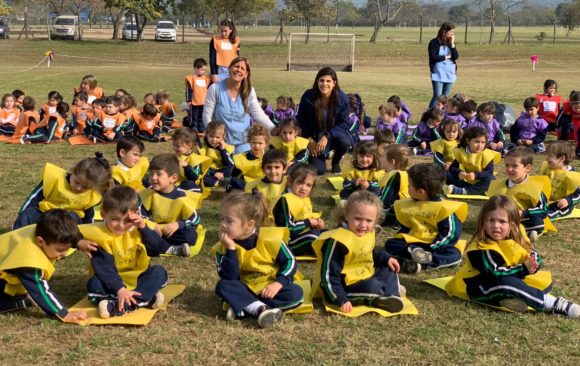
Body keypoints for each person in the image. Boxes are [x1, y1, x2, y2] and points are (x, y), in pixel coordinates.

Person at [445, 195, 579, 318]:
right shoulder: (480, 248)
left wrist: (534, 262)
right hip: (480, 286)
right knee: (508, 285)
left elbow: (529, 252)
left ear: (512, 224)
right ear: (483, 222)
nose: (496, 226)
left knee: (528, 282)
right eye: (490, 220)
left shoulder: (517, 232)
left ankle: (509, 300)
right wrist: (523, 269)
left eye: (502, 221)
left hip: (508, 274)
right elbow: (494, 273)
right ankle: (553, 303)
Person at [212, 191, 303, 328]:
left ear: (249, 224)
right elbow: (229, 277)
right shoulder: (223, 247)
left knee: (296, 293)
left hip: (270, 287)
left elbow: (290, 261)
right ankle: (260, 309)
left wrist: (278, 283)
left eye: (229, 220)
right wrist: (231, 249)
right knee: (223, 286)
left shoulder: (270, 238)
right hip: (245, 288)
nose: (223, 224)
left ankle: (247, 308)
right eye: (222, 219)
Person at [81, 186, 168, 318]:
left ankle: (119, 306)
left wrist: (144, 229)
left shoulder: (141, 227)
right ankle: (146, 299)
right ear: (103, 215)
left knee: (159, 272)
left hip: (138, 279)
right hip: (109, 282)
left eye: (127, 220)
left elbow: (158, 248)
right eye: (115, 219)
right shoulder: (98, 234)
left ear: (136, 215)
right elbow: (106, 270)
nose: (121, 225)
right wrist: (120, 290)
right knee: (93, 286)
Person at [312, 190, 404, 314]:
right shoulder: (338, 240)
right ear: (346, 215)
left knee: (388, 269)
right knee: (373, 286)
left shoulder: (369, 233)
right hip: (345, 286)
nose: (363, 225)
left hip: (365, 275)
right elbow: (329, 274)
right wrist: (340, 299)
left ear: (375, 220)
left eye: (369, 221)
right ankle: (380, 297)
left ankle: (391, 295)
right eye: (358, 219)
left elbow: (369, 252)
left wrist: (386, 258)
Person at [0, 209, 93, 323]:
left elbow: (64, 235)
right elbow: (39, 288)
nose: (64, 253)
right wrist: (64, 314)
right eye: (60, 250)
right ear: (40, 241)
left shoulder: (43, 230)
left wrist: (78, 242)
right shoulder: (28, 257)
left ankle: (13, 301)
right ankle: (8, 303)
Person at [385, 163, 466, 273]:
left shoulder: (445, 208)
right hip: (414, 243)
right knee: (391, 243)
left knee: (454, 255)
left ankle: (421, 264)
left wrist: (432, 248)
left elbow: (450, 234)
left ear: (420, 192)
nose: (407, 188)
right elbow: (404, 226)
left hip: (437, 246)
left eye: (409, 185)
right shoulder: (408, 204)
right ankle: (413, 254)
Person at [13, 153, 111, 229]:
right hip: (44, 214)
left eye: (85, 187)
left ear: (92, 187)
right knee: (28, 214)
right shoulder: (54, 180)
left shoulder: (90, 196)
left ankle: (54, 243)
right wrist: (23, 214)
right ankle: (18, 237)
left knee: (73, 217)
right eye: (76, 182)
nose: (78, 188)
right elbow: (34, 198)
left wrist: (88, 235)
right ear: (73, 171)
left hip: (65, 225)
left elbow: (88, 219)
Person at [202, 57, 275, 154]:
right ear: (229, 68)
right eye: (236, 66)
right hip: (221, 144)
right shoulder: (215, 88)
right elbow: (207, 116)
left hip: (243, 143)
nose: (238, 70)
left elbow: (258, 114)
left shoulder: (249, 91)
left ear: (246, 74)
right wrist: (213, 137)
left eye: (242, 68)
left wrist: (274, 129)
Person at [139, 154, 201, 257]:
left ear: (173, 178)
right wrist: (152, 224)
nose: (153, 178)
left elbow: (195, 219)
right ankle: (171, 248)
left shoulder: (182, 196)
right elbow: (140, 215)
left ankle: (158, 246)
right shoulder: (147, 194)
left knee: (190, 235)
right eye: (151, 174)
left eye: (158, 174)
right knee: (140, 232)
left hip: (173, 232)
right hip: (155, 231)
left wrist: (178, 224)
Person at [296, 67, 354, 174]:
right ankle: (315, 155)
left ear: (334, 83)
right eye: (321, 80)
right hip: (314, 138)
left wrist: (327, 136)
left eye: (328, 81)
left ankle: (335, 161)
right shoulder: (308, 96)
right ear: (317, 81)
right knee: (319, 170)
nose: (324, 84)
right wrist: (309, 140)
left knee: (345, 142)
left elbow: (344, 123)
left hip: (333, 136)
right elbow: (300, 119)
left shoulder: (343, 98)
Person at [486, 147, 550, 242]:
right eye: (507, 165)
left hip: (525, 219)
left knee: (538, 223)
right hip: (503, 219)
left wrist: (523, 213)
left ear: (527, 168)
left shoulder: (535, 187)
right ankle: (511, 232)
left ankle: (522, 232)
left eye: (515, 166)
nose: (509, 169)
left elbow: (543, 210)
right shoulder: (498, 185)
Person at [273, 163, 323, 256]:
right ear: (290, 181)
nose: (304, 188)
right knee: (313, 236)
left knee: (329, 233)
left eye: (308, 185)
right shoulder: (285, 200)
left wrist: (317, 223)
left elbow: (305, 217)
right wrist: (309, 222)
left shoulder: (305, 198)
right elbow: (288, 229)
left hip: (300, 234)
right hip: (285, 242)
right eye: (300, 182)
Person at [447, 127, 499, 195]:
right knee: (447, 175)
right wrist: (459, 172)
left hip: (480, 180)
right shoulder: (461, 152)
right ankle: (468, 189)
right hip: (465, 180)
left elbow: (489, 172)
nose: (480, 145)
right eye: (477, 142)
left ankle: (465, 191)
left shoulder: (487, 155)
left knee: (491, 179)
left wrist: (476, 175)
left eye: (483, 142)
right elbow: (452, 168)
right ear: (468, 141)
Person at [246, 149, 288, 224]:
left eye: (277, 167)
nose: (273, 171)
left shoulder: (290, 183)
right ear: (263, 170)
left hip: (286, 221)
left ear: (284, 169)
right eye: (268, 167)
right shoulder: (253, 187)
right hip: (262, 223)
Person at [542, 141, 580, 221]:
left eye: (550, 156)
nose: (547, 158)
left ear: (562, 158)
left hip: (562, 205)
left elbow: (578, 194)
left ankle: (543, 216)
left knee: (554, 208)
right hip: (547, 200)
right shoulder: (548, 170)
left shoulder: (572, 176)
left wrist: (568, 200)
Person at [229, 124, 270, 190]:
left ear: (266, 143)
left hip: (262, 184)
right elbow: (233, 175)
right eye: (254, 143)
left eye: (260, 143)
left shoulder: (270, 157)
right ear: (249, 142)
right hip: (246, 184)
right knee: (233, 180)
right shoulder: (241, 157)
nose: (257, 146)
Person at [428, 22, 459, 108]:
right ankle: (429, 114)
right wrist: (446, 57)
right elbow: (433, 57)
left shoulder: (451, 43)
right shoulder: (433, 43)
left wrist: (452, 44)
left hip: (450, 72)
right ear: (444, 32)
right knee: (438, 96)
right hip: (438, 72)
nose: (452, 34)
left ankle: (442, 116)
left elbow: (455, 56)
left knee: (445, 97)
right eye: (450, 32)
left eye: (453, 32)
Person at [379, 144, 410, 226]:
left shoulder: (395, 176)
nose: (380, 159)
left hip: (396, 215)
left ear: (392, 162)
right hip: (407, 211)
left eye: (383, 157)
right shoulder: (406, 174)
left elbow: (385, 200)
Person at [172, 127, 210, 193]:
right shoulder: (176, 156)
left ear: (189, 145)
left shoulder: (196, 159)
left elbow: (195, 177)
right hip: (176, 183)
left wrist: (186, 166)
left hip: (190, 184)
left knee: (189, 184)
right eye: (174, 145)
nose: (175, 148)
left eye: (178, 146)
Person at [199, 120, 234, 188]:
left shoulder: (227, 148)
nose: (214, 140)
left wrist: (223, 150)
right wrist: (214, 173)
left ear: (223, 137)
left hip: (221, 170)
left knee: (232, 169)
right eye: (211, 136)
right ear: (206, 135)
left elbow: (230, 164)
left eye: (218, 137)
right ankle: (216, 182)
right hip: (208, 171)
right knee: (199, 175)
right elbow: (200, 165)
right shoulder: (202, 148)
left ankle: (222, 180)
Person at [185, 58, 211, 133]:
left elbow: (209, 88)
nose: (203, 72)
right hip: (194, 102)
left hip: (204, 102)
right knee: (194, 116)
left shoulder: (206, 79)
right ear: (196, 68)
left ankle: (201, 127)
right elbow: (188, 91)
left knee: (202, 116)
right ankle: (194, 127)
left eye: (204, 70)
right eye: (202, 70)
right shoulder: (191, 79)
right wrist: (188, 100)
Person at [209, 18, 240, 83]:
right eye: (221, 30)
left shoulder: (236, 40)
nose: (223, 33)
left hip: (232, 70)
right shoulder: (215, 40)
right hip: (219, 72)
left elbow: (237, 57)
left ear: (231, 30)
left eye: (225, 31)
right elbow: (212, 59)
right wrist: (214, 74)